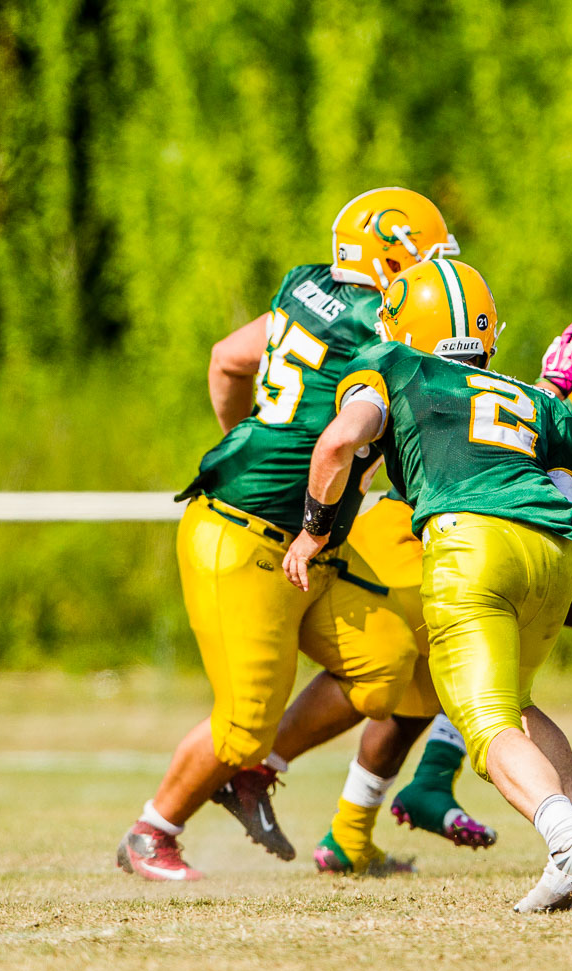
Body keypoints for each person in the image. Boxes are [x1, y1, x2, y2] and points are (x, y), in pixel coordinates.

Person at [114, 188, 454, 880]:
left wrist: (249, 438)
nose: (434, 276)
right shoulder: (379, 326)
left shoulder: (313, 289)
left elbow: (226, 359)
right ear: (393, 256)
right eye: (426, 259)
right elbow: (354, 435)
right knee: (242, 719)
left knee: (382, 663)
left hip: (301, 535)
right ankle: (150, 833)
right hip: (250, 535)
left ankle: (253, 774)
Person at [281, 258, 572, 912]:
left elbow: (335, 445)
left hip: (471, 544)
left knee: (488, 724)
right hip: (557, 553)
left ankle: (569, 849)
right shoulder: (535, 397)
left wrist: (313, 531)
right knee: (520, 703)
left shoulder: (391, 364)